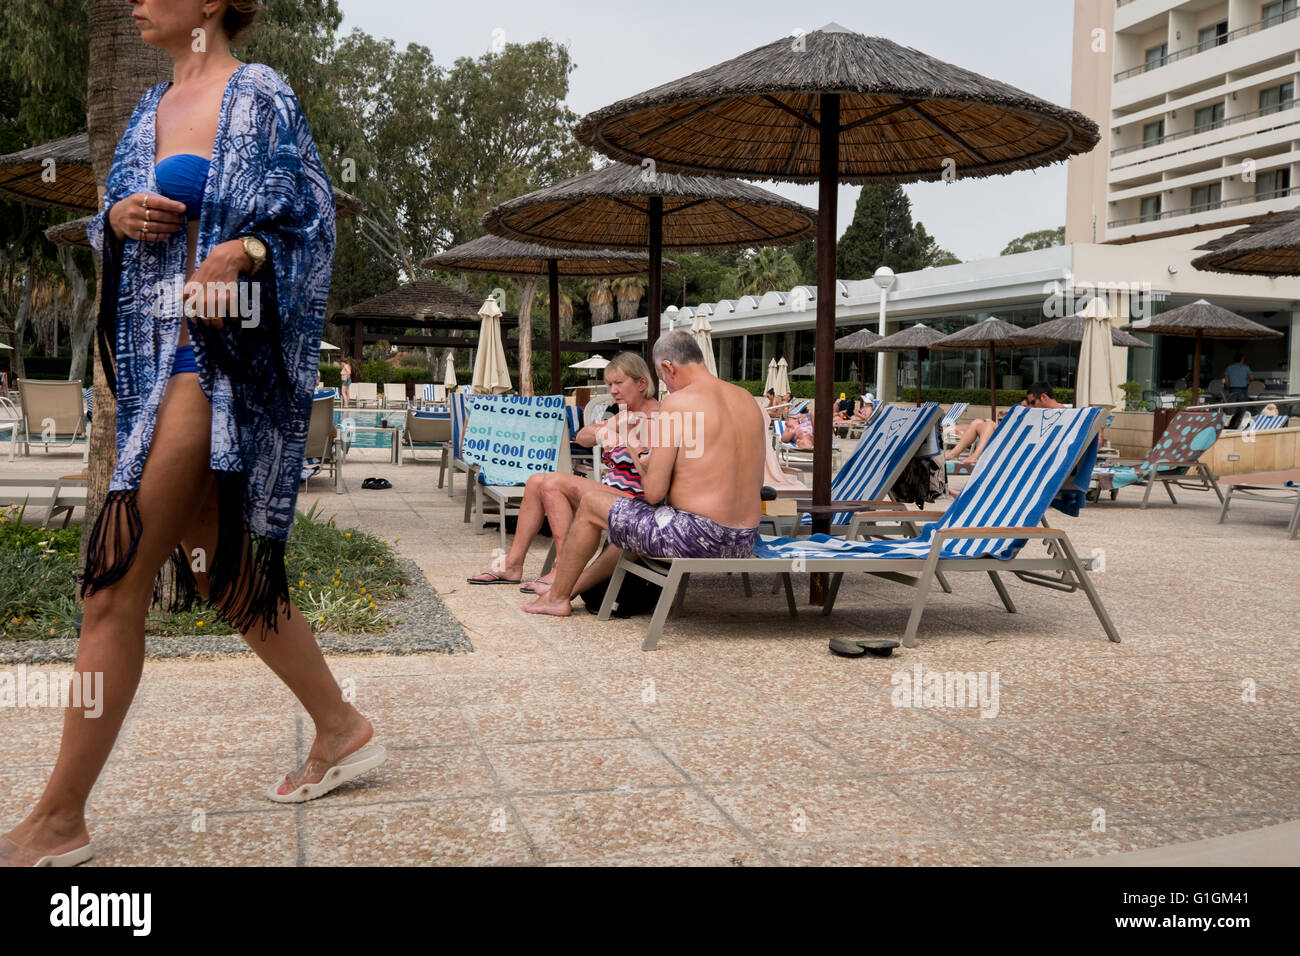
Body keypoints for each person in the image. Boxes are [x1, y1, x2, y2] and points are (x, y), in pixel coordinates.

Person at [0, 1, 381, 869]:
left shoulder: (259, 94)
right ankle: (341, 724)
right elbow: (117, 223)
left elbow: (311, 219)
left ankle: (59, 818)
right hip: (152, 364)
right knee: (221, 569)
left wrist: (241, 252)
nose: (134, 1)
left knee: (110, 583)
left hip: (216, 365)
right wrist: (117, 221)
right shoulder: (146, 109)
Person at [523, 331, 766, 617]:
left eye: (664, 380)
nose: (667, 387)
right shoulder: (747, 399)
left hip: (696, 537)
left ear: (668, 367)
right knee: (631, 519)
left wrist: (634, 446)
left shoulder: (679, 404)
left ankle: (558, 597)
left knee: (592, 505)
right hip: (743, 539)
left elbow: (653, 492)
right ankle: (564, 590)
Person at [466, 352, 659, 592]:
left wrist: (627, 435)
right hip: (611, 492)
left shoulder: (652, 419)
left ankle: (562, 568)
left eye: (619, 383)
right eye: (610, 384)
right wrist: (603, 433)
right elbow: (582, 436)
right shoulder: (625, 414)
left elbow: (654, 475)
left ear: (642, 383)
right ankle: (512, 563)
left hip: (634, 503)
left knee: (553, 482)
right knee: (536, 481)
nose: (613, 390)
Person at [945, 383, 1062, 464]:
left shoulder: (1061, 413)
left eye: (1032, 402)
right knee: (977, 422)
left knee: (989, 425)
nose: (1031, 406)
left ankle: (975, 456)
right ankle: (954, 454)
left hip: (1022, 449)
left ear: (1043, 397)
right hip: (1018, 443)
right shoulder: (1043, 412)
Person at [1223, 354, 1252, 429]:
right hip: (1242, 389)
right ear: (1242, 359)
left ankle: (1233, 425)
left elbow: (1226, 381)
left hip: (1233, 389)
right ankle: (1244, 425)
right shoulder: (1245, 367)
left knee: (1233, 408)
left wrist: (1230, 387)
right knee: (1243, 408)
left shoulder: (1229, 367)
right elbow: (1252, 377)